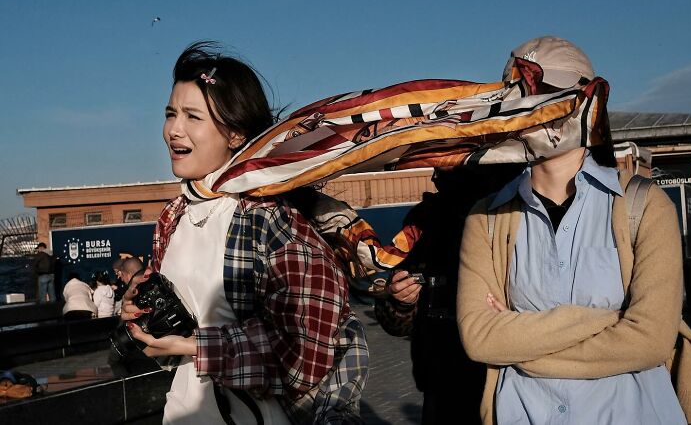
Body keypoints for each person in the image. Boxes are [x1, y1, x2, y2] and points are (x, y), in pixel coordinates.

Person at [121, 41, 368, 424]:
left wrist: (196, 346)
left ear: (235, 134)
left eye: (193, 117)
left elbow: (306, 353)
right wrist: (143, 315)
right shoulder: (173, 215)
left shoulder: (270, 220)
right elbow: (183, 332)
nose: (174, 130)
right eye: (171, 114)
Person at [456, 36, 691, 424]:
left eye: (543, 93)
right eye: (515, 96)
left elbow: (650, 341)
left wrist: (520, 346)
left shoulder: (645, 207)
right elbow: (482, 338)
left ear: (584, 102)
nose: (528, 110)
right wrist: (608, 319)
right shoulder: (486, 220)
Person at [374, 164, 524, 424]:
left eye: (447, 168)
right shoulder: (423, 221)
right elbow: (394, 322)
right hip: (441, 380)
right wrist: (400, 301)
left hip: (504, 377)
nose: (436, 177)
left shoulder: (514, 215)